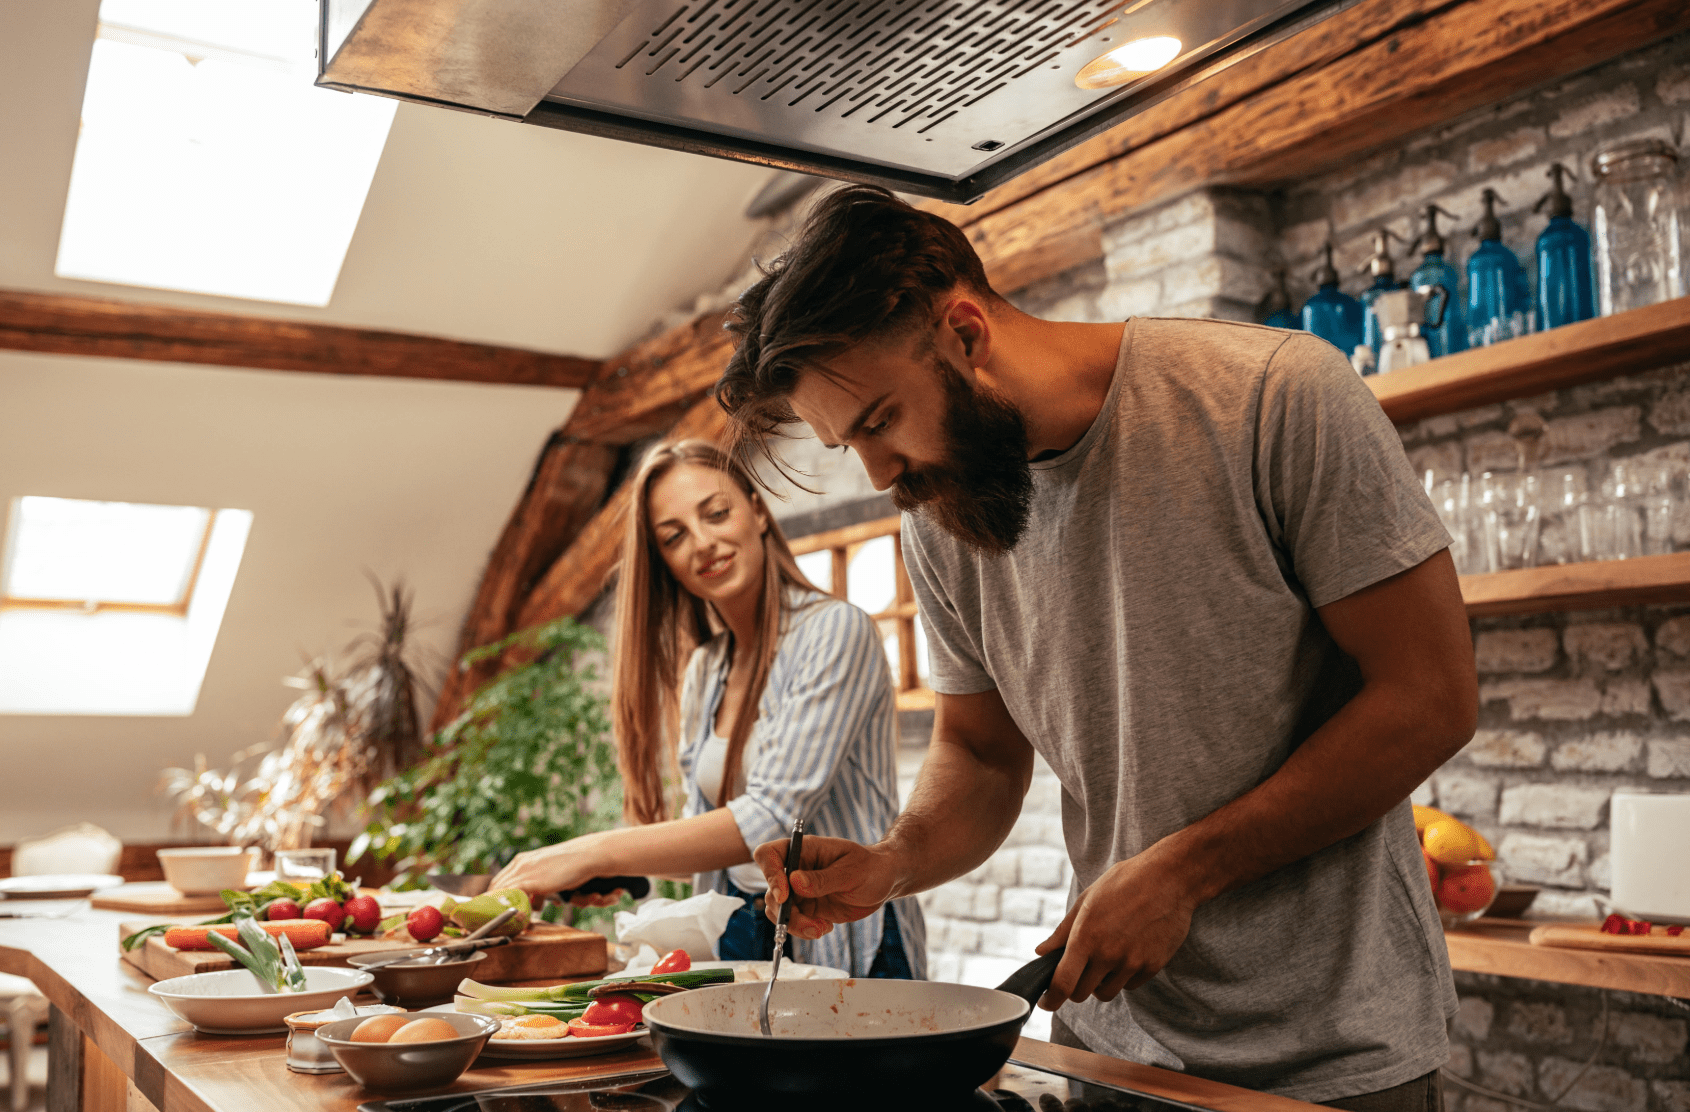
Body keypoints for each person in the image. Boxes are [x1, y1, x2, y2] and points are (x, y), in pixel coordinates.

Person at [712, 186, 1478, 1109]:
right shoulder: (944, 519)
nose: (880, 475)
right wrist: (895, 859)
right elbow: (982, 753)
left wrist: (1186, 871)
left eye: (879, 421)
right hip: (1107, 1049)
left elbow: (1429, 696)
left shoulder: (1274, 395)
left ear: (964, 330)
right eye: (850, 445)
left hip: (1333, 1057)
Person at [490, 439, 924, 978]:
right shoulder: (707, 669)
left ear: (758, 511)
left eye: (716, 513)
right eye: (674, 537)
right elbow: (712, 834)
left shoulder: (835, 632)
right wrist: (630, 876)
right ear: (665, 563)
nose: (703, 543)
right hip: (744, 935)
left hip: (849, 941)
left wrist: (592, 852)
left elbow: (771, 816)